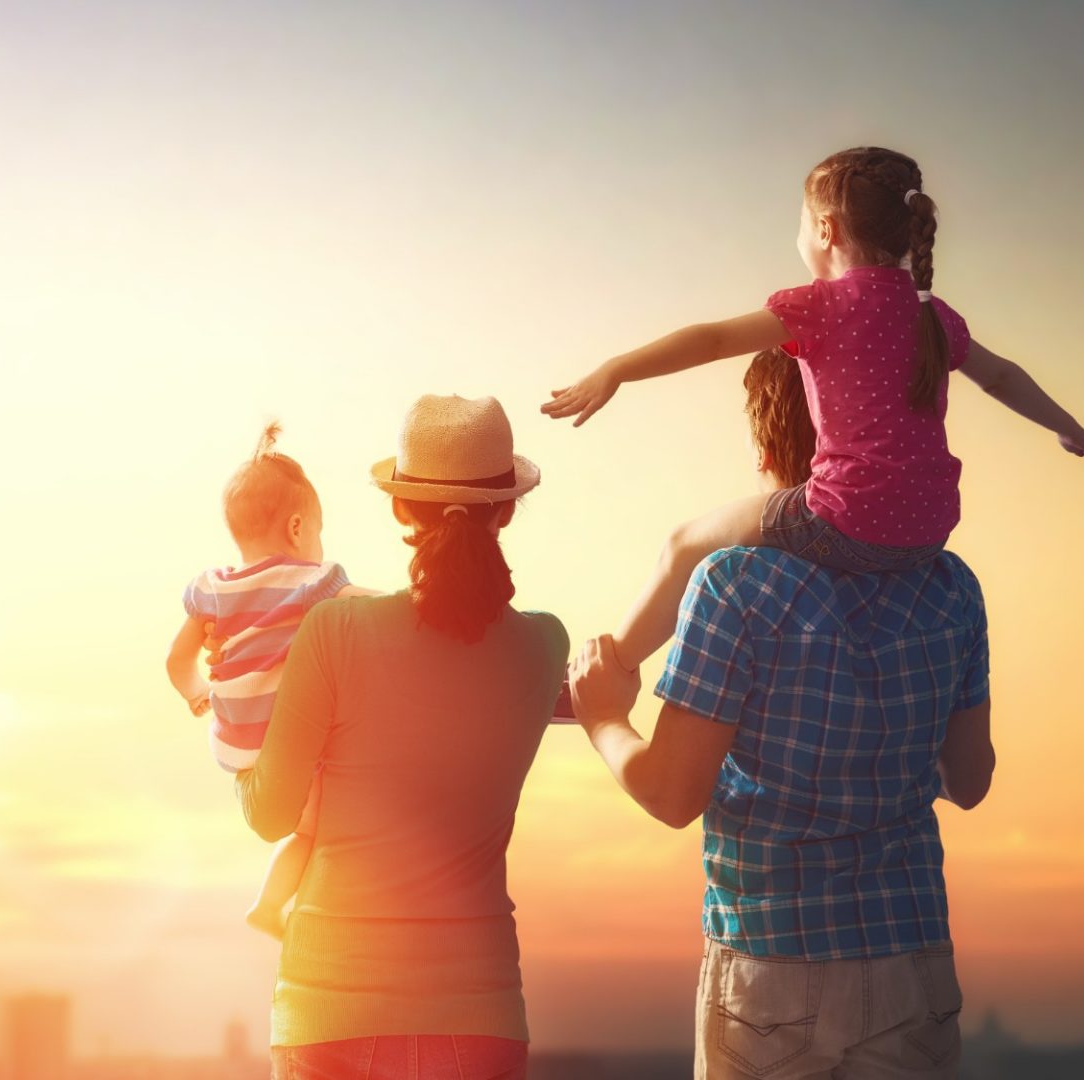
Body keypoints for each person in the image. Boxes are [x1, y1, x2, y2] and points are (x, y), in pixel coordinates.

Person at [567, 347, 997, 1079]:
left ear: (766, 449)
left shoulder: (733, 584)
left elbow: (673, 795)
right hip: (912, 961)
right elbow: (971, 779)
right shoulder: (951, 585)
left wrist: (604, 717)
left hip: (771, 966)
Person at [542, 145, 1084, 676]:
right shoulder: (932, 315)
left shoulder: (818, 306)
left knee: (685, 544)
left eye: (800, 221)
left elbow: (712, 340)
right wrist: (1070, 430)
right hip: (930, 529)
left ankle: (607, 671)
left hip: (845, 518)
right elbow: (1000, 377)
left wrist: (616, 368)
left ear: (825, 229)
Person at [236, 394, 567, 1080]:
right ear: (505, 509)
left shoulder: (333, 633)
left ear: (397, 507)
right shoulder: (542, 645)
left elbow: (271, 815)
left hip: (328, 1014)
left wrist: (239, 735)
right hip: (479, 1019)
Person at [165, 422, 376, 937]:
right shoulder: (308, 582)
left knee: (305, 825)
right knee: (314, 828)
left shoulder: (213, 590)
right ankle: (270, 905)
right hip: (286, 745)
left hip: (237, 748)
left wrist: (198, 694)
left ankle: (271, 904)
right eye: (320, 533)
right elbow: (372, 608)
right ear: (299, 527)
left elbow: (176, 660)